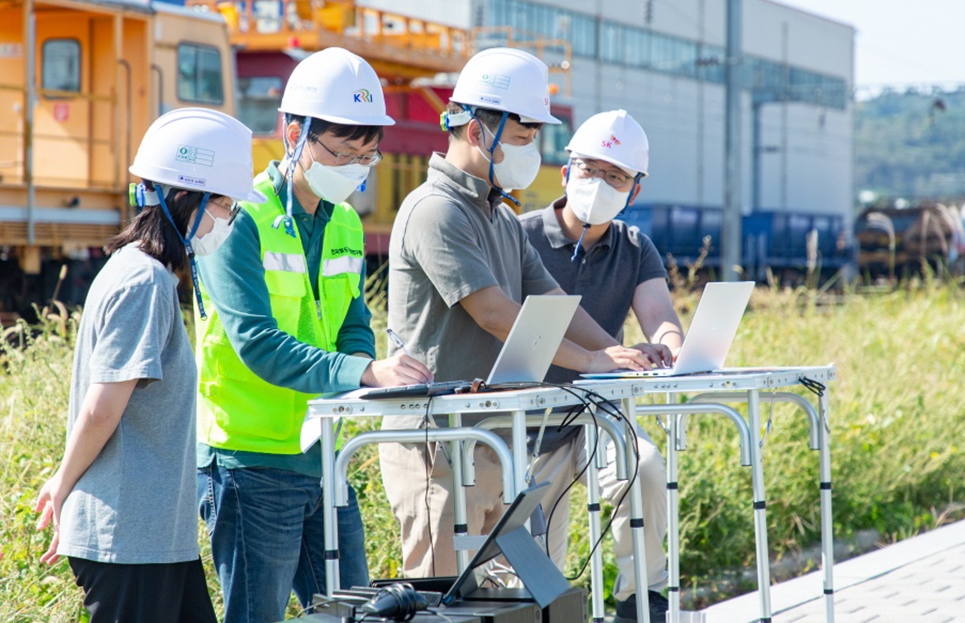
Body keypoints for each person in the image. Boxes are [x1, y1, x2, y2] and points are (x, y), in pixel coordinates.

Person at [379, 48, 670, 581]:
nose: (530, 150)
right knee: (443, 595)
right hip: (438, 441)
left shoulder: (499, 217)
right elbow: (494, 312)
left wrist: (614, 352)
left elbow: (554, 303)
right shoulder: (437, 209)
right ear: (476, 132)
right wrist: (590, 360)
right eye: (522, 137)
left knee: (508, 600)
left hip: (491, 436)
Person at [195, 47, 431, 623]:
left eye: (367, 154)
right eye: (344, 151)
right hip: (250, 460)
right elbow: (257, 344)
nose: (356, 166)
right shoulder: (239, 218)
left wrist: (360, 364)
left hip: (324, 454)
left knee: (357, 613)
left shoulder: (345, 220)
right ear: (292, 132)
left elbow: (352, 320)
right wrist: (365, 372)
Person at [34, 107, 263, 623]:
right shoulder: (145, 283)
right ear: (189, 198)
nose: (228, 219)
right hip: (128, 536)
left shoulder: (139, 272)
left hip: (157, 537)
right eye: (225, 205)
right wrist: (63, 484)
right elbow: (101, 408)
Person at [519, 109, 683, 623]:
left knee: (646, 467)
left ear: (634, 191)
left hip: (596, 413)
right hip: (529, 420)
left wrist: (666, 346)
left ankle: (641, 599)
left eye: (616, 176)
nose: (600, 183)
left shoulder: (635, 248)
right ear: (565, 173)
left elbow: (660, 317)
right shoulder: (520, 237)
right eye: (590, 170)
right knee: (536, 569)